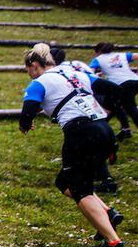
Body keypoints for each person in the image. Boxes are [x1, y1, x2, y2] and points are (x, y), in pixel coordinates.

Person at [20, 43, 125, 247]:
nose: (29, 75)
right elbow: (114, 90)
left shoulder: (39, 83)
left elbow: (27, 112)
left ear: (34, 65)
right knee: (64, 181)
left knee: (80, 189)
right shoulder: (75, 73)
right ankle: (107, 212)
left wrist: (26, 124)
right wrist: (105, 111)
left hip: (80, 134)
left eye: (28, 70)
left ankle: (114, 242)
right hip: (104, 129)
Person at [51, 47, 120, 194]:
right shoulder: (77, 63)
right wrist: (108, 108)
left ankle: (101, 179)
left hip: (83, 104)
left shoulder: (56, 72)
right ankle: (107, 159)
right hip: (96, 98)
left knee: (87, 142)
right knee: (97, 139)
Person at [89, 42, 138, 150]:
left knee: (126, 108)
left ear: (98, 51)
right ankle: (125, 130)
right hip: (136, 82)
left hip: (121, 85)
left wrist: (97, 75)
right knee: (117, 105)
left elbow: (89, 73)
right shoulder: (122, 55)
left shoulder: (98, 59)